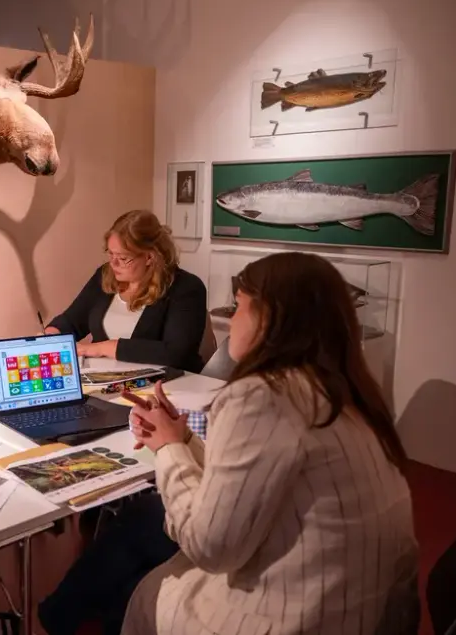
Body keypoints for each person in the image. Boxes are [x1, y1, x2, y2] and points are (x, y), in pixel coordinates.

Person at [123, 252, 419, 635]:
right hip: (365, 607)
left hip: (299, 615)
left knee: (147, 592)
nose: (232, 319)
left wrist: (167, 448)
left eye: (241, 307)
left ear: (272, 318)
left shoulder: (261, 396)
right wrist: (181, 438)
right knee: (140, 533)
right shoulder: (347, 393)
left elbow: (210, 547)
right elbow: (260, 477)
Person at [44, 209, 208, 371]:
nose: (114, 264)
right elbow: (72, 321)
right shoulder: (105, 275)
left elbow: (176, 353)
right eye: (111, 254)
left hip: (167, 387)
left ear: (149, 257)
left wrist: (103, 348)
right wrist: (52, 335)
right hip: (105, 381)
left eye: (123, 258)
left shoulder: (186, 288)